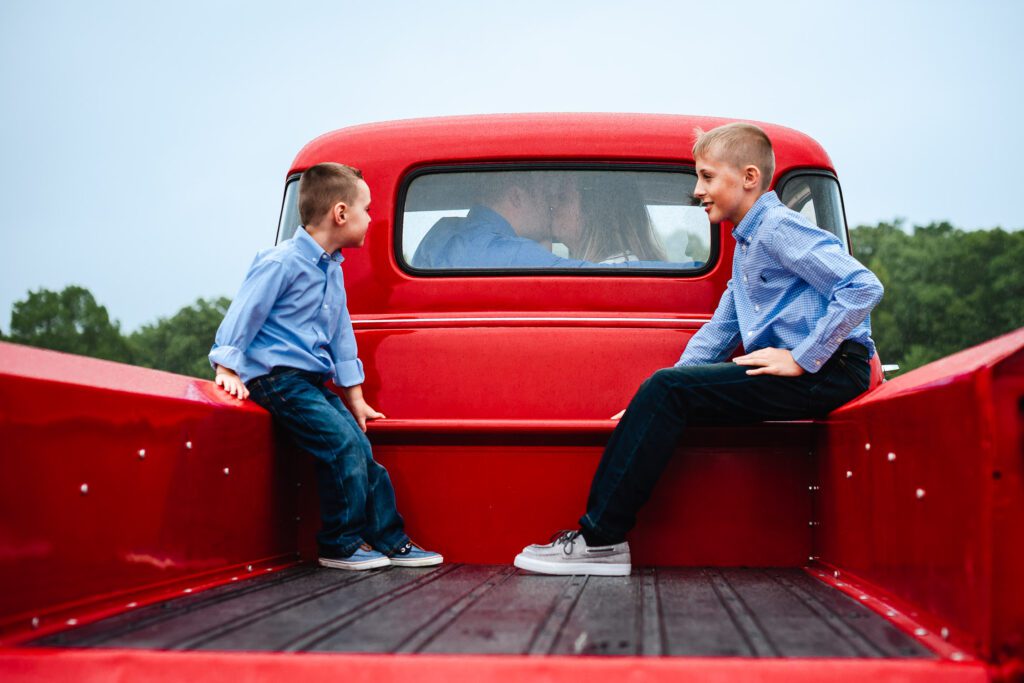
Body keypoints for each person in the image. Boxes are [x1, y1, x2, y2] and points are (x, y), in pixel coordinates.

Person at [513, 123, 884, 576]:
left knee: (668, 389)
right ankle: (599, 539)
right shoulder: (748, 244)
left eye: (707, 177)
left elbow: (862, 286)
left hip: (831, 368)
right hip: (818, 369)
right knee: (666, 389)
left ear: (749, 177)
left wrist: (801, 356)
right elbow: (721, 328)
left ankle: (600, 542)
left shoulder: (778, 227)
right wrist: (651, 402)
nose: (697, 190)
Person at [210, 162, 442, 571]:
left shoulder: (332, 269)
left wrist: (354, 396)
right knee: (342, 446)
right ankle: (340, 543)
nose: (371, 219)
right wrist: (227, 366)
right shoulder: (280, 262)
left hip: (311, 383)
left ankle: (390, 539)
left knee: (363, 452)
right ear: (340, 213)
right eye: (366, 209)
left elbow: (340, 336)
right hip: (276, 379)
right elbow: (245, 311)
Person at [554, 173, 668, 264]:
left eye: (562, 198)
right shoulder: (616, 267)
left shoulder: (609, 272)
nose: (553, 205)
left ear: (593, 210)